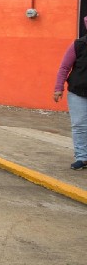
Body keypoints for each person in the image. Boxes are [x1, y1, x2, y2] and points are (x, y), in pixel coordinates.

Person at [53, 16, 87, 170]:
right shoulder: (78, 45)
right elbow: (64, 67)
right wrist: (58, 88)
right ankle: (82, 157)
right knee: (79, 125)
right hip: (77, 92)